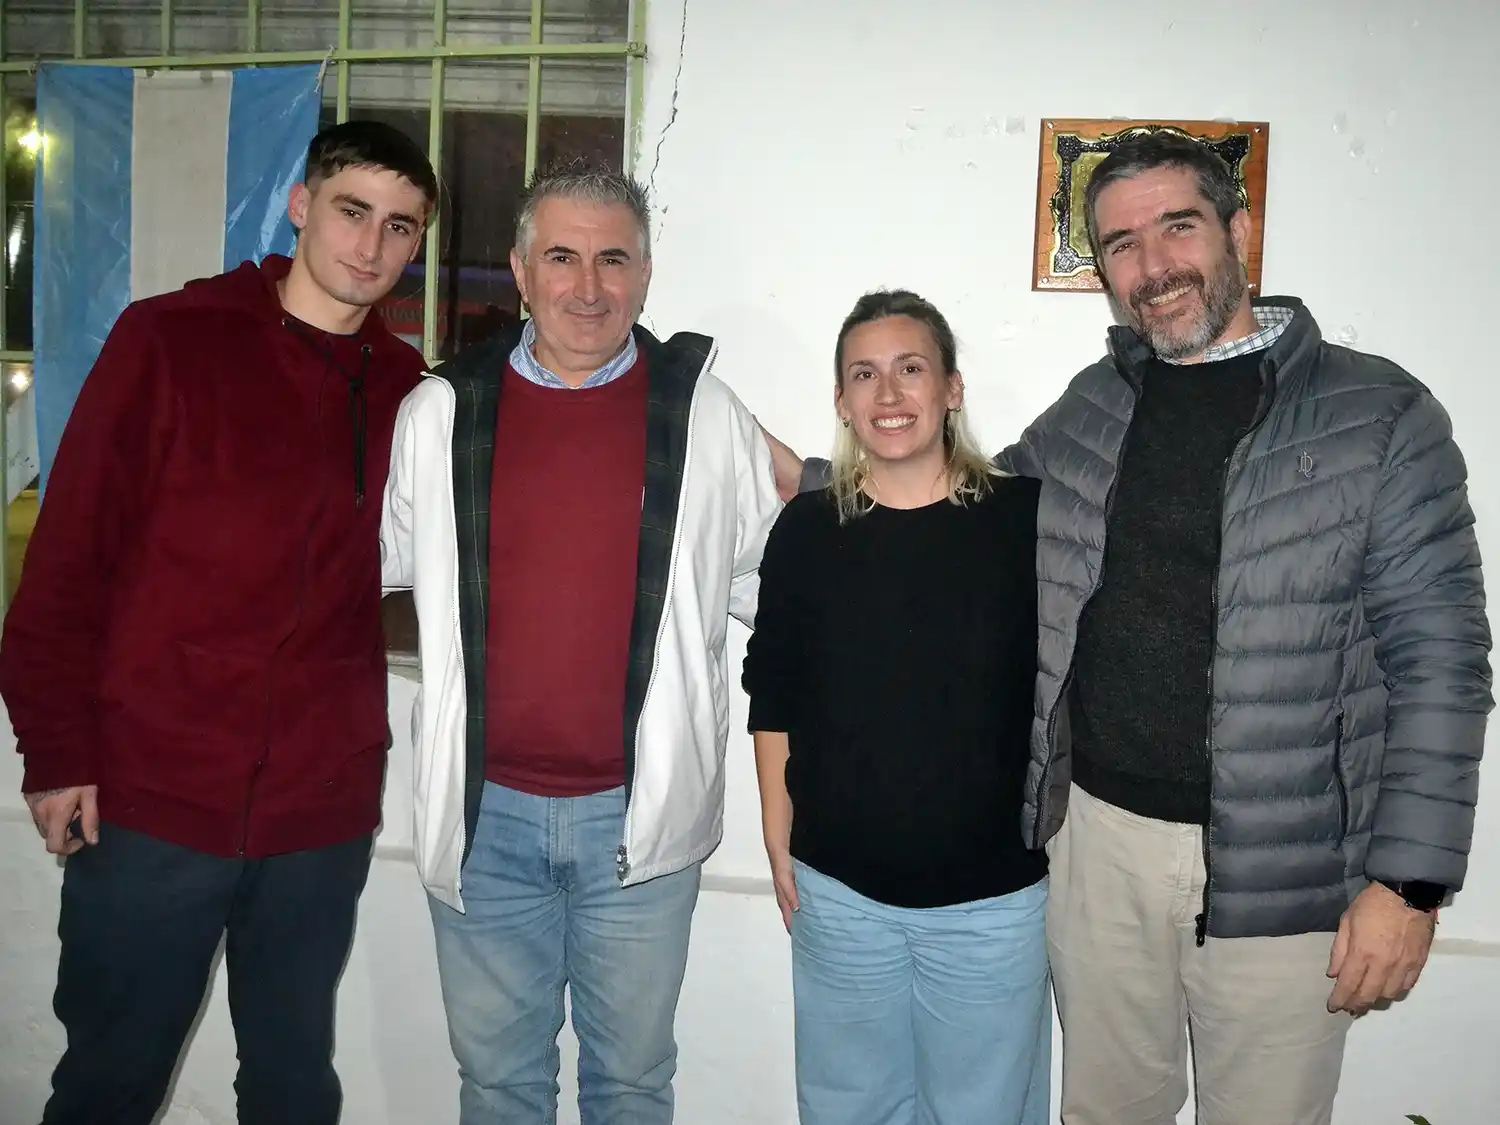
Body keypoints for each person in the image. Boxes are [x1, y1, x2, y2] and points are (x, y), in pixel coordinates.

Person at [780, 130, 1491, 1125]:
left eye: (1178, 227)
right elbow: (962, 502)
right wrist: (810, 483)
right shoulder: (1096, 405)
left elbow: (1443, 665)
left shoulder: (1377, 414)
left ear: (1238, 229)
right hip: (1097, 848)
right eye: (1122, 243)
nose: (1154, 265)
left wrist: (1409, 883)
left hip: (1282, 868)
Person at [0, 119, 438, 1125]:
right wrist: (55, 752)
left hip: (316, 811)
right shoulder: (170, 340)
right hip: (151, 795)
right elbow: (66, 561)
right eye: (353, 211)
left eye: (400, 226)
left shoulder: (411, 393)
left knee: (292, 1085)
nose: (371, 245)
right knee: (110, 1082)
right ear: (300, 206)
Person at [379, 163, 784, 1125]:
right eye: (561, 257)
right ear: (522, 271)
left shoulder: (706, 416)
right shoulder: (442, 412)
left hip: (637, 824)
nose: (589, 287)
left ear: (645, 274)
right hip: (484, 817)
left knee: (632, 1084)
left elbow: (774, 590)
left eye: (614, 259)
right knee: (499, 1086)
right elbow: (380, 573)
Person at [742, 289, 1051, 1125]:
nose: (888, 393)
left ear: (952, 387)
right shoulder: (807, 529)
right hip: (840, 894)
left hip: (992, 902)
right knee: (850, 1110)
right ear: (841, 402)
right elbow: (773, 689)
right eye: (864, 375)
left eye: (911, 369)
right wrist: (777, 835)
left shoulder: (1026, 522)